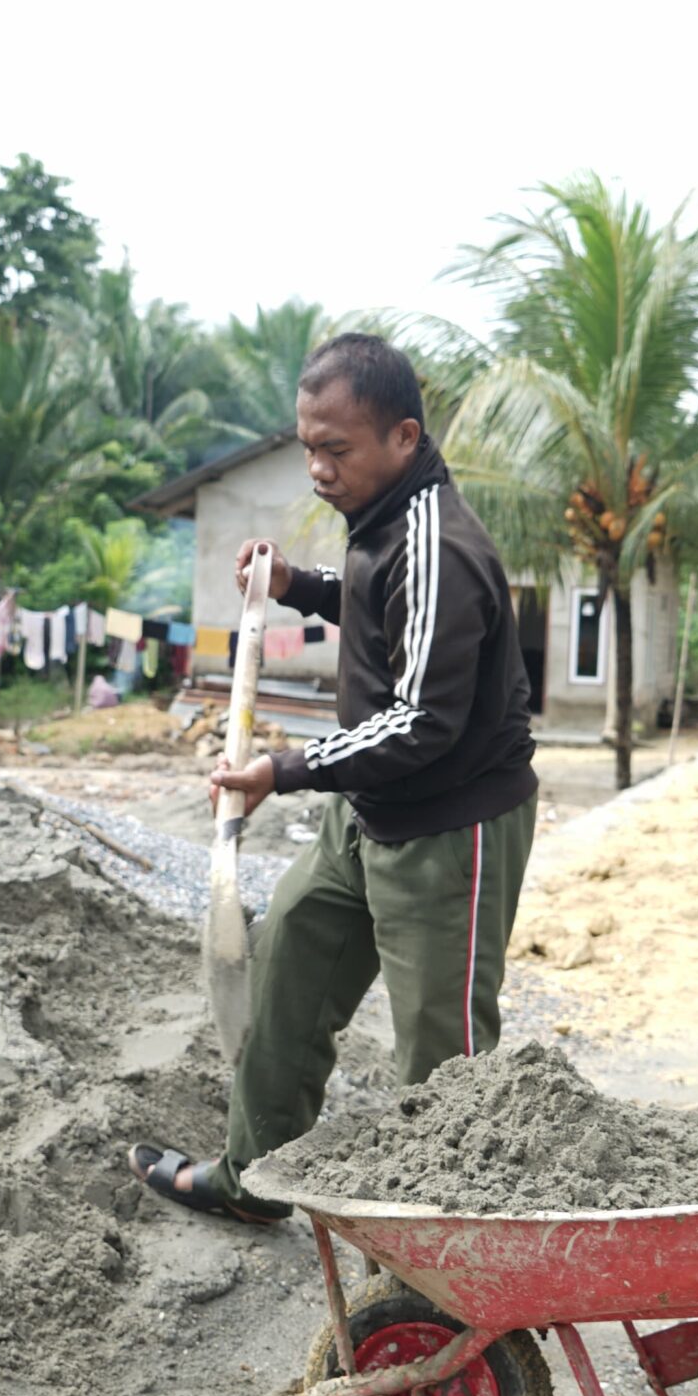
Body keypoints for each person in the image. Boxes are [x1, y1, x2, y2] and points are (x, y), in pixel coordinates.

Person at [128, 333, 539, 1225]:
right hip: (367, 809)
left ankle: (450, 1251)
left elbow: (424, 720)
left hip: (449, 831)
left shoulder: (438, 543)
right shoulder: (385, 516)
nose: (318, 468)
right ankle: (255, 1175)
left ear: (402, 436)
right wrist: (297, 586)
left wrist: (285, 769)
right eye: (309, 446)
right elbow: (379, 602)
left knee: (443, 1056)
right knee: (288, 963)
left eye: (336, 449)